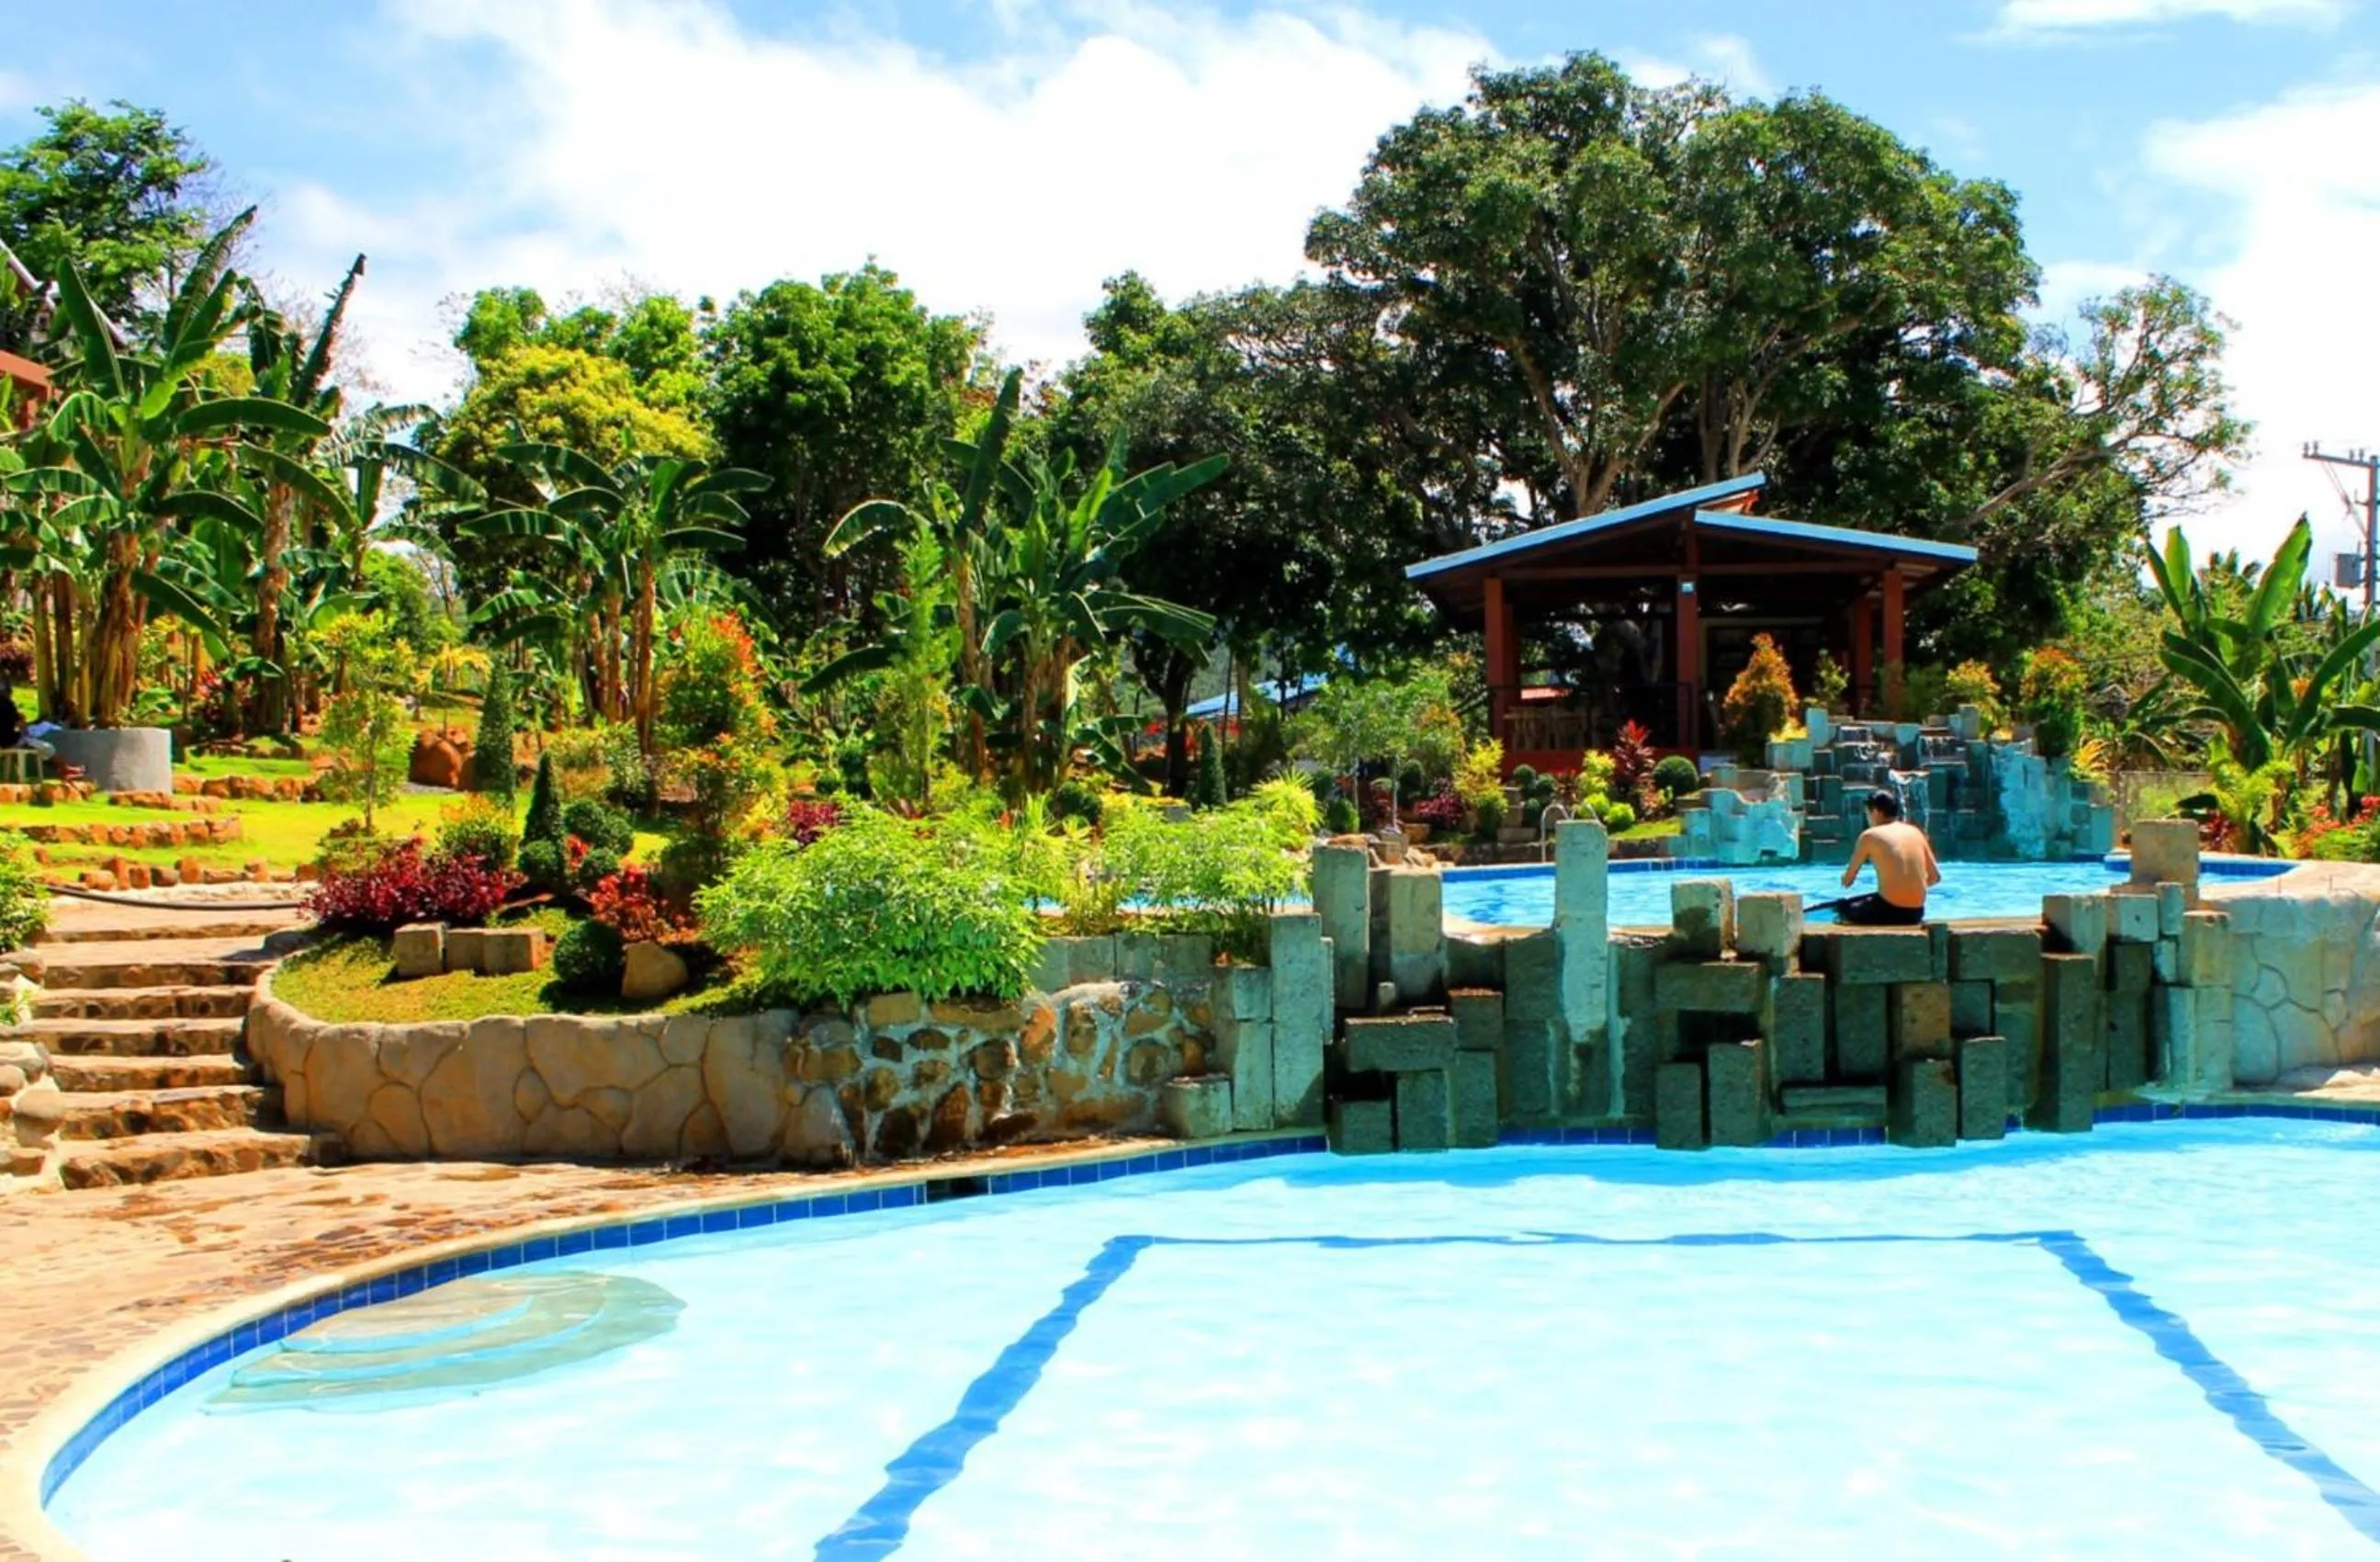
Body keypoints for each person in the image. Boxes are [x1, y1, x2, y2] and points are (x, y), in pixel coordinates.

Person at [1836, 789, 1939, 925]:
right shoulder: (1915, 832)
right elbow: (1935, 877)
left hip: (1888, 911)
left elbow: (1848, 881)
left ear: (1876, 812)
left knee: (1842, 908)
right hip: (1916, 913)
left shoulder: (1870, 836)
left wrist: (1844, 878)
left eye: (1868, 813)